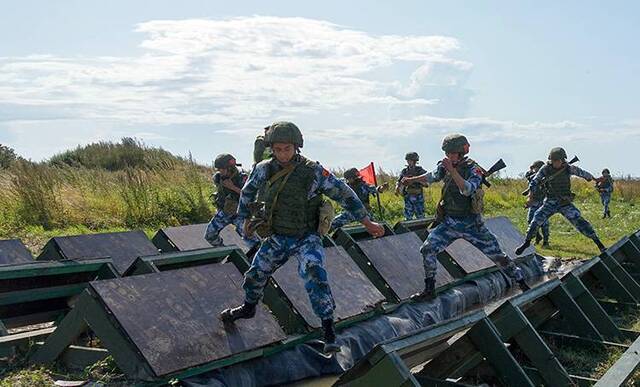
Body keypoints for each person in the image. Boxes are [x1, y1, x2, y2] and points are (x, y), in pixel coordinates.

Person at [219, 121, 385, 354]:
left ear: (296, 147)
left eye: (287, 149)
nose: (282, 154)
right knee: (256, 273)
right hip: (278, 235)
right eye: (277, 149)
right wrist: (246, 219)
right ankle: (248, 307)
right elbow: (247, 192)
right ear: (271, 149)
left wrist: (366, 222)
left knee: (314, 273)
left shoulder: (313, 171)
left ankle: (328, 330)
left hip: (306, 236)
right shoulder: (264, 169)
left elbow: (344, 193)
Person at [402, 134, 528, 299]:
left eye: (453, 153)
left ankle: (522, 283)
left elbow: (467, 190)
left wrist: (452, 171)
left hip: (472, 225)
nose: (450, 157)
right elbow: (431, 177)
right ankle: (429, 289)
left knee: (499, 257)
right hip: (449, 223)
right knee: (427, 249)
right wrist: (411, 180)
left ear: (462, 152)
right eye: (447, 153)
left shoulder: (472, 169)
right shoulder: (445, 165)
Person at [516, 147, 606, 255]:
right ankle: (527, 242)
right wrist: (530, 198)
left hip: (564, 203)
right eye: (553, 161)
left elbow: (582, 173)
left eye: (558, 161)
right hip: (550, 202)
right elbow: (534, 183)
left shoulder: (569, 168)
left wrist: (594, 179)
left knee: (580, 222)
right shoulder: (545, 169)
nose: (556, 163)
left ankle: (599, 244)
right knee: (536, 220)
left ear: (563, 160)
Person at [204, 154, 260, 248]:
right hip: (225, 212)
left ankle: (255, 259)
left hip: (239, 214)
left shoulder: (243, 178)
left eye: (222, 169)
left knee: (250, 238)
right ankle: (224, 252)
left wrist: (232, 187)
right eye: (219, 169)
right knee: (210, 235)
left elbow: (250, 196)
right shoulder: (218, 178)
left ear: (230, 168)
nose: (220, 172)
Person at [525, 160, 551, 247]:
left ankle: (546, 241)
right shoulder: (532, 176)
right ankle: (537, 236)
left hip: (543, 201)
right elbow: (529, 178)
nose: (533, 170)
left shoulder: (547, 176)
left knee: (544, 223)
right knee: (530, 220)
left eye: (535, 168)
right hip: (534, 201)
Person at [395, 152, 427, 220]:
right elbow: (399, 181)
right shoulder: (404, 171)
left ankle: (422, 230)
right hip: (408, 196)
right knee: (408, 217)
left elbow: (426, 183)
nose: (409, 162)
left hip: (418, 196)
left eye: (411, 160)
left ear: (415, 161)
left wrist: (414, 180)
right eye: (408, 160)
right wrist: (397, 187)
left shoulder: (420, 170)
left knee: (420, 216)